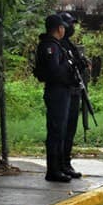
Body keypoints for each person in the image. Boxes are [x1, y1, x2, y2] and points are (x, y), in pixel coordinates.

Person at [35, 14, 75, 182]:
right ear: (59, 29)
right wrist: (68, 65)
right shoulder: (50, 47)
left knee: (61, 131)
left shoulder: (57, 46)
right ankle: (53, 170)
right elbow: (54, 71)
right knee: (56, 131)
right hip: (56, 91)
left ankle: (59, 167)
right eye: (63, 27)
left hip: (62, 91)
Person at [57, 12, 88, 179]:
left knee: (70, 131)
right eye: (70, 25)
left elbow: (77, 66)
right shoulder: (57, 45)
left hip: (74, 91)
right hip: (63, 93)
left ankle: (66, 163)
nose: (73, 28)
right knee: (61, 131)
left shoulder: (69, 44)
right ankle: (59, 165)